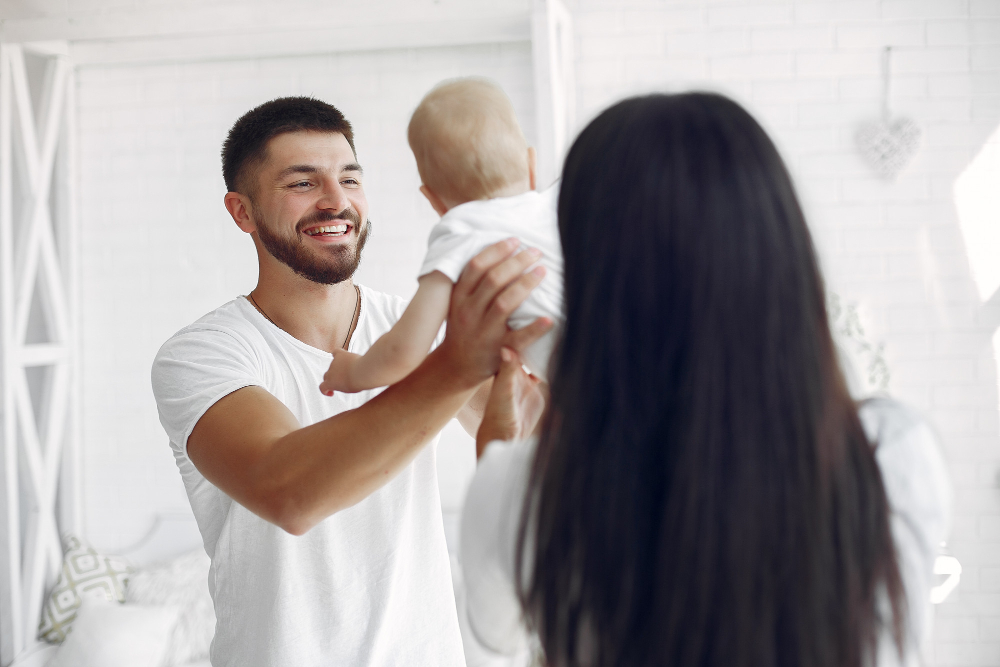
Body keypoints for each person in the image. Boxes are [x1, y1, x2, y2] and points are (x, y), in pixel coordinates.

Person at [461, 93, 952, 667]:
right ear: (783, 250)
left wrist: (498, 434)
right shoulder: (890, 451)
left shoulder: (519, 491)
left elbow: (501, 652)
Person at [150, 96, 551, 667]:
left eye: (350, 178)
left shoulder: (428, 331)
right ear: (242, 212)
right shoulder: (203, 355)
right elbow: (288, 491)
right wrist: (458, 361)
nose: (337, 202)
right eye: (302, 183)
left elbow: (537, 433)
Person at [320, 78, 563, 395]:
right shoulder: (558, 208)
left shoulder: (460, 231)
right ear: (532, 165)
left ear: (433, 199)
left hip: (576, 374)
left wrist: (353, 374)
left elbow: (404, 350)